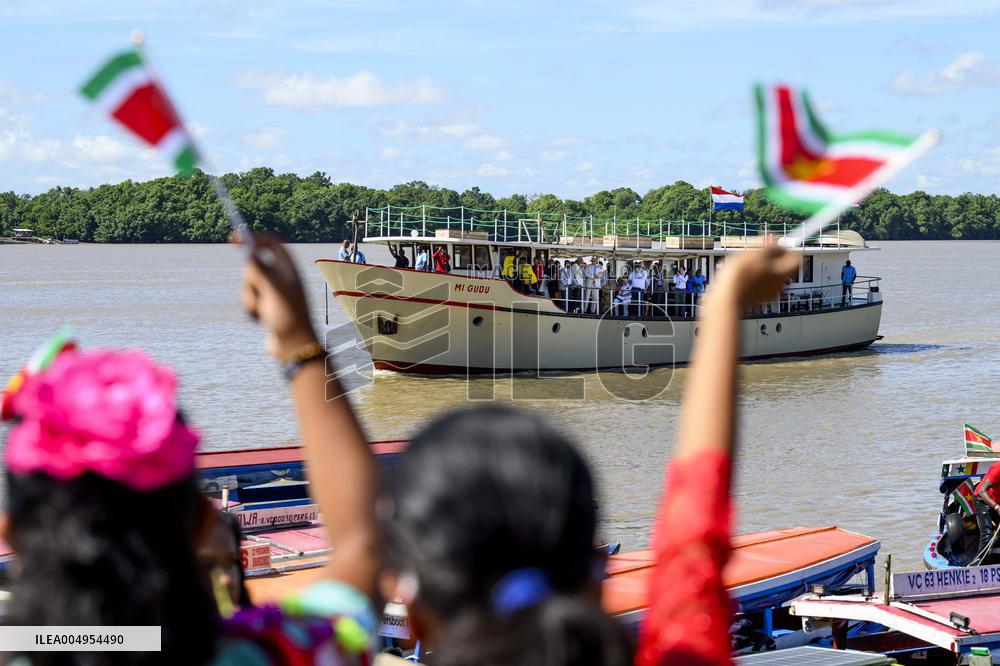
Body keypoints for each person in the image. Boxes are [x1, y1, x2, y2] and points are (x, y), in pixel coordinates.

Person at [975, 464, 1000, 559]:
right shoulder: (998, 468)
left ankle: (995, 556)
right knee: (987, 535)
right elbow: (982, 491)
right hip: (983, 499)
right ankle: (977, 565)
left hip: (997, 499)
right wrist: (997, 507)